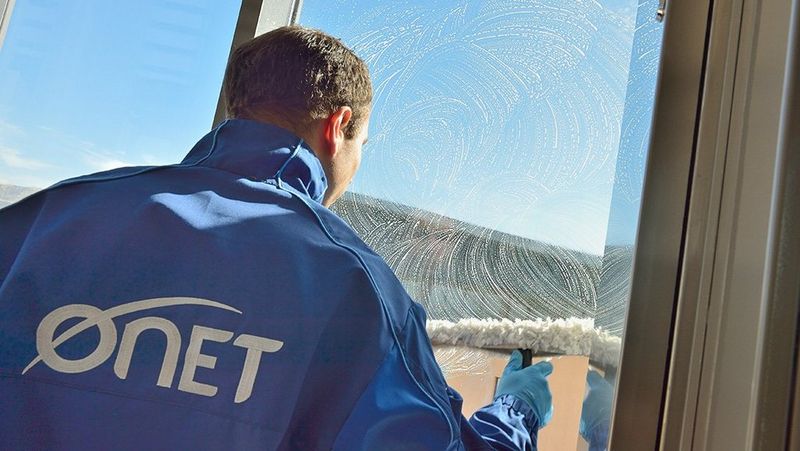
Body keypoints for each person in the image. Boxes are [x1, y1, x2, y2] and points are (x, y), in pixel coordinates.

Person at [0, 26, 553, 450]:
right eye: (364, 141)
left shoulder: (41, 218)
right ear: (338, 128)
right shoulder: (355, 287)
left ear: (238, 106)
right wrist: (516, 411)